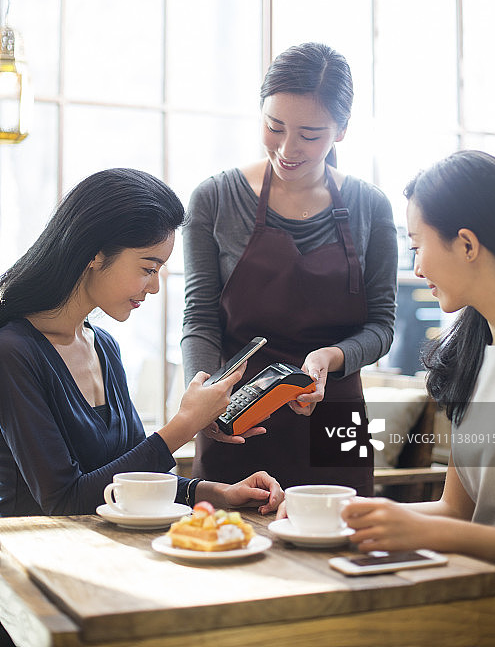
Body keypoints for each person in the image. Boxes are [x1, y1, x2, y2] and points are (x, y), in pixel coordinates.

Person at [0, 168, 283, 517]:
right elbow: (65, 501)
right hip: (28, 559)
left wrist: (216, 493)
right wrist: (186, 423)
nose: (154, 288)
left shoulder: (102, 346)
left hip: (98, 553)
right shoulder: (12, 351)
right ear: (96, 254)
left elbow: (128, 476)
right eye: (149, 269)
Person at [181, 42, 398, 491]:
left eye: (311, 134)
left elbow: (381, 327)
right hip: (237, 415)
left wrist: (328, 358)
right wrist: (201, 398)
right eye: (274, 126)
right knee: (228, 544)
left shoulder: (370, 206)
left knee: (338, 548)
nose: (287, 148)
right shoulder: (215, 199)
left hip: (335, 415)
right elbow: (200, 318)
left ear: (341, 131)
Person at [340, 150, 495, 576]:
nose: (417, 267)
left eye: (416, 246)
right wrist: (351, 516)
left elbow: (454, 530)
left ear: (466, 244)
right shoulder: (471, 352)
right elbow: (456, 511)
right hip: (484, 602)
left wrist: (426, 533)